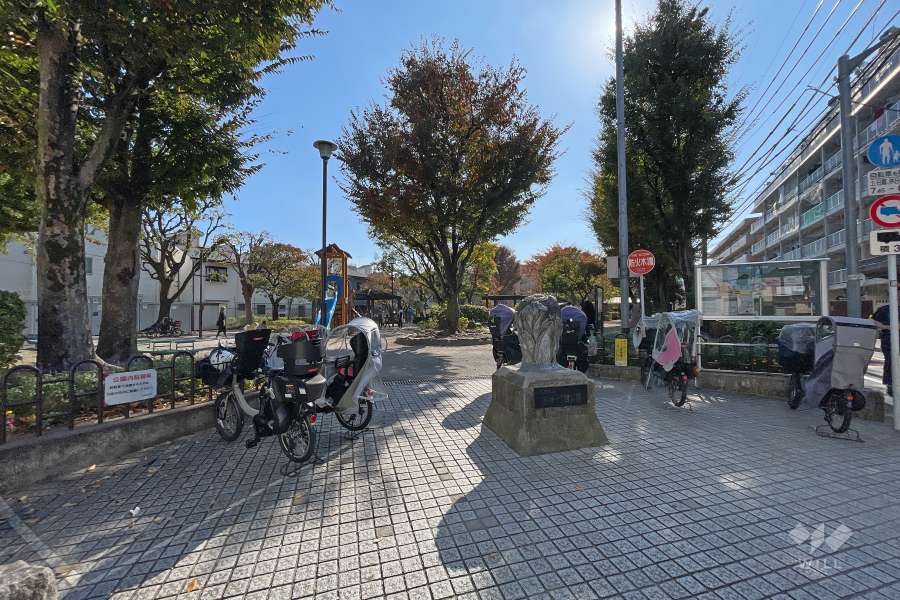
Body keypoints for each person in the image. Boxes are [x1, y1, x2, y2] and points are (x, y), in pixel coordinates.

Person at [872, 296, 899, 394]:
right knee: (891, 360)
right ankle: (890, 384)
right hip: (889, 340)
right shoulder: (885, 309)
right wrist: (886, 327)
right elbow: (873, 321)